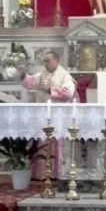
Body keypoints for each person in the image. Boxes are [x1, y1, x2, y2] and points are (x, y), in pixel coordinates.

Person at [21, 51, 76, 179]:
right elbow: (30, 82)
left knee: (54, 142)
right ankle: (40, 173)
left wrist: (50, 90)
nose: (45, 64)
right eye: (44, 61)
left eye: (48, 61)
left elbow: (68, 92)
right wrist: (22, 73)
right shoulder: (42, 75)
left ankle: (55, 173)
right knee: (41, 142)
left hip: (57, 115)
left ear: (56, 60)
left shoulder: (64, 76)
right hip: (42, 113)